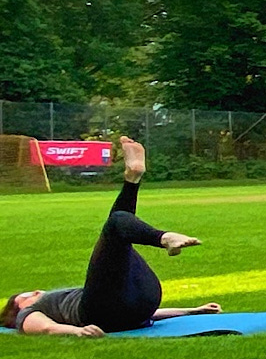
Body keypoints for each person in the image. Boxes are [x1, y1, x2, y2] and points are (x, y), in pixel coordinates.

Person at [3, 137, 220, 337]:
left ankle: (133, 179)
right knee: (115, 224)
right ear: (17, 309)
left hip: (140, 304)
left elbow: (151, 314)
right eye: (26, 295)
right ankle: (159, 230)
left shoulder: (79, 296)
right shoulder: (29, 312)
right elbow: (46, 327)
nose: (36, 291)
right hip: (100, 316)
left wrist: (194, 310)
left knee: (119, 234)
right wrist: (76, 332)